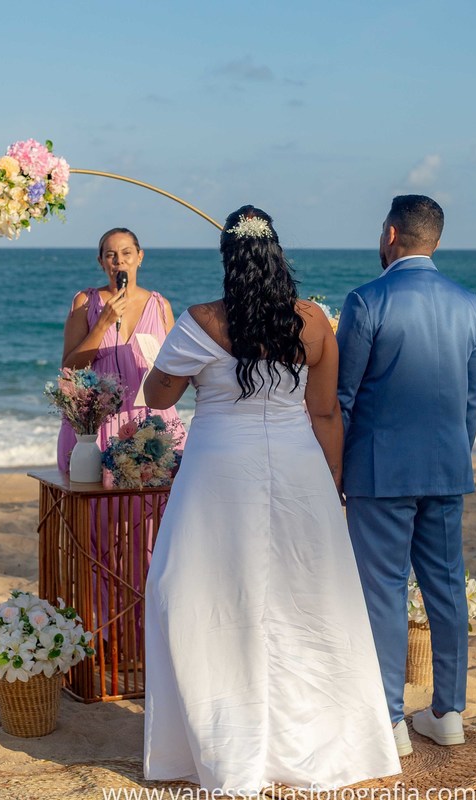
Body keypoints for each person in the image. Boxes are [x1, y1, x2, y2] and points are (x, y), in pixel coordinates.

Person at [139, 206, 400, 793]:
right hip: (300, 469)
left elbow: (156, 397)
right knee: (303, 599)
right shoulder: (313, 324)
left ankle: (225, 742)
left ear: (228, 259)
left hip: (217, 477)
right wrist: (332, 486)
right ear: (277, 255)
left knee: (194, 595)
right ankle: (307, 742)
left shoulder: (200, 322)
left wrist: (179, 362)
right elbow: (326, 412)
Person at [336, 195, 476, 756]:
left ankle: (391, 721)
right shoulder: (470, 305)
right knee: (445, 587)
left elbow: (343, 398)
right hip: (447, 469)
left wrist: (336, 467)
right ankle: (448, 712)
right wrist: (453, 454)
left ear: (392, 235)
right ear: (437, 241)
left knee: (383, 592)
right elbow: (474, 399)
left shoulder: (366, 300)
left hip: (380, 472)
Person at [57, 228, 182, 472]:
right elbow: (69, 368)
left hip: (150, 415)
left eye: (126, 253)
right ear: (101, 261)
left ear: (140, 256)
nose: (119, 260)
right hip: (100, 418)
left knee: (154, 501)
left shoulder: (159, 305)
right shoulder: (85, 301)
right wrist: (103, 323)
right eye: (111, 255)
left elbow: (176, 366)